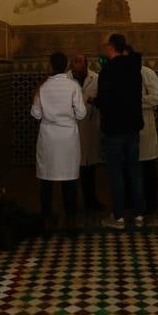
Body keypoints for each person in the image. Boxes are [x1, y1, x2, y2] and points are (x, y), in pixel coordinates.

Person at [31, 51, 86, 233]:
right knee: (69, 179)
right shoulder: (73, 86)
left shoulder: (43, 87)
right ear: (66, 65)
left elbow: (36, 114)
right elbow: (81, 113)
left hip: (48, 137)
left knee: (46, 179)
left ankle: (46, 219)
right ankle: (70, 220)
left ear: (50, 65)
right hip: (68, 138)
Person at [95, 32, 145, 229]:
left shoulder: (107, 71)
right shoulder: (134, 68)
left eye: (105, 44)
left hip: (115, 129)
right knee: (135, 170)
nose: (104, 47)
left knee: (116, 173)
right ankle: (139, 215)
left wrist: (95, 101)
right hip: (133, 127)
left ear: (110, 46)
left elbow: (105, 101)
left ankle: (118, 217)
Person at [123, 45, 158, 215]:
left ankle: (151, 202)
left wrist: (136, 102)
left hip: (144, 126)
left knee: (147, 167)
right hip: (126, 127)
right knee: (127, 166)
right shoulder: (122, 75)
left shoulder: (146, 72)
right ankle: (130, 201)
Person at [67, 53, 103, 212]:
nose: (76, 62)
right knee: (72, 168)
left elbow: (102, 99)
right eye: (74, 60)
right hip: (72, 127)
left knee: (89, 167)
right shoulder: (65, 79)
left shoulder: (96, 78)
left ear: (86, 63)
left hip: (90, 126)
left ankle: (91, 201)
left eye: (80, 60)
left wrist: (91, 101)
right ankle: (72, 204)